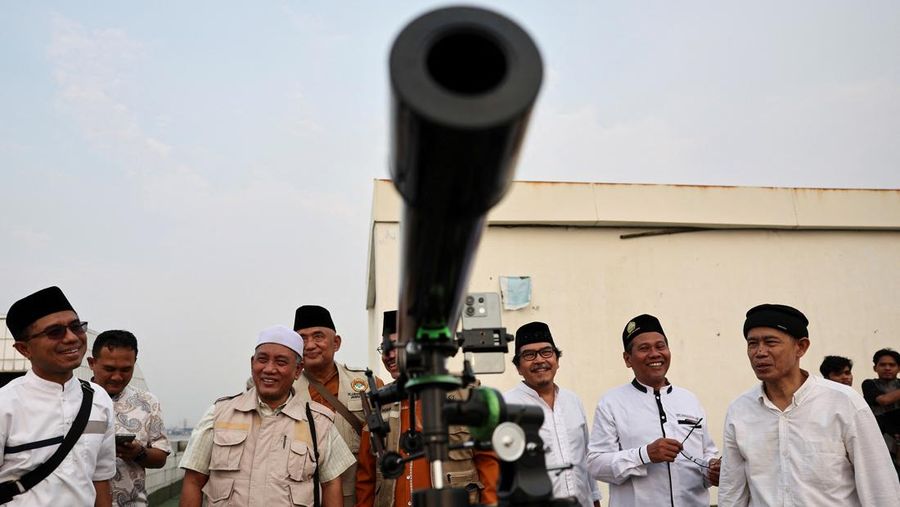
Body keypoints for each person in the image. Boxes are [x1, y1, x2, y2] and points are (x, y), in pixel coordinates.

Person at [719, 304, 900, 506]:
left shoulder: (844, 402)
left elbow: (880, 488)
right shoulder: (740, 410)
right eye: (752, 343)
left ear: (801, 347)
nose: (760, 352)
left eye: (770, 342)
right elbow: (732, 490)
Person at [179, 325, 355, 507]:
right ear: (252, 363)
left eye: (281, 362)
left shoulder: (319, 423)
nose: (269, 369)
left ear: (297, 370)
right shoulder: (219, 414)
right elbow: (193, 481)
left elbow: (331, 485)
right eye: (262, 360)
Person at [355, 311, 499, 507]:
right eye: (385, 348)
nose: (389, 355)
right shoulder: (378, 403)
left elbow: (488, 460)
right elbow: (367, 475)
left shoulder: (465, 395)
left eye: (398, 346)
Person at [0, 286, 116, 506]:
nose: (72, 338)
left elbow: (100, 478)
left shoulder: (98, 399)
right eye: (55, 332)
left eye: (76, 327)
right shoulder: (5, 404)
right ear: (24, 349)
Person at [587, 314, 719, 507]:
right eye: (644, 348)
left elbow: (707, 453)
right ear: (627, 359)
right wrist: (645, 454)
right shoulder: (612, 403)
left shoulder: (689, 399)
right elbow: (596, 464)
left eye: (660, 346)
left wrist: (712, 469)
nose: (655, 354)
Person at [293, 305, 384, 507]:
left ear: (336, 343)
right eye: (302, 339)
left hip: (357, 495)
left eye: (318, 336)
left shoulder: (368, 384)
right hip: (300, 497)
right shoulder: (285, 389)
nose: (309, 345)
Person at [502, 321, 600, 507]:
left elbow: (586, 458)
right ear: (518, 367)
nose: (539, 360)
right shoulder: (507, 406)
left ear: (557, 360)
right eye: (529, 355)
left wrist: (595, 500)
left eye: (546, 352)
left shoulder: (573, 401)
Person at [88, 329, 172, 506]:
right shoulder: (73, 399)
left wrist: (138, 453)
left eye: (126, 369)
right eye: (109, 369)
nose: (117, 377)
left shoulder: (148, 402)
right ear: (91, 363)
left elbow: (161, 457)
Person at [861, 348, 900, 473]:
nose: (887, 368)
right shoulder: (869, 384)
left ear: (898, 368)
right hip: (879, 437)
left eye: (892, 365)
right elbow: (883, 400)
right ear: (875, 368)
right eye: (883, 365)